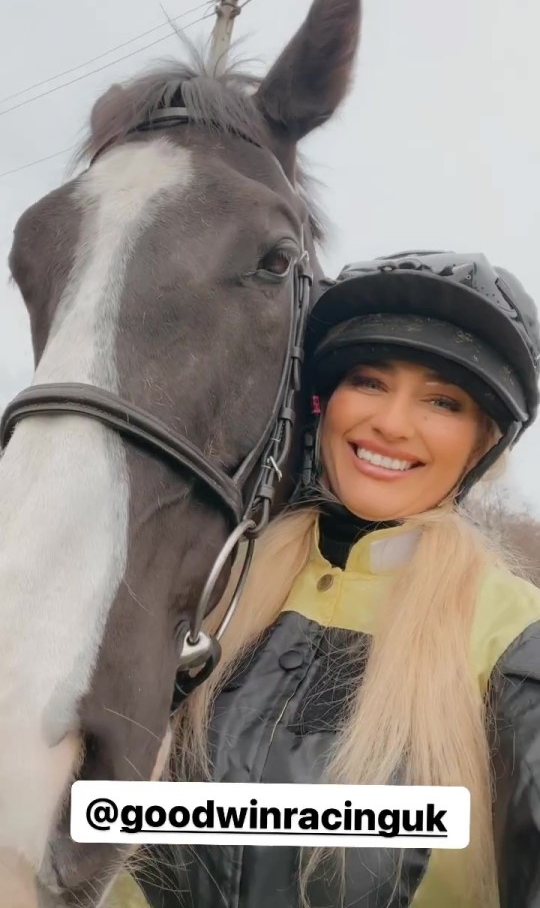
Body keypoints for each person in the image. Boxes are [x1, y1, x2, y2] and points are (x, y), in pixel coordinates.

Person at [136, 250, 540, 908]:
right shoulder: (217, 588)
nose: (391, 422)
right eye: (370, 381)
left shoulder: (515, 635)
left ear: (481, 443)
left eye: (442, 400)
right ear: (325, 403)